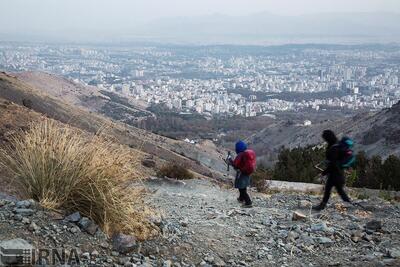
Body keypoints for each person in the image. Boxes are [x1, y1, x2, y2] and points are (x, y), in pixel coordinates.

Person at [313, 130, 351, 211]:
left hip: (335, 173)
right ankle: (349, 203)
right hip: (337, 172)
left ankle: (349, 204)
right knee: (334, 190)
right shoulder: (336, 145)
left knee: (333, 190)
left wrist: (323, 173)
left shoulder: (333, 148)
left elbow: (333, 164)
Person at [227, 140, 256, 208]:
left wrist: (230, 159)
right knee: (243, 186)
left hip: (242, 173)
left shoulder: (240, 154)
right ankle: (241, 199)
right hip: (247, 172)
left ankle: (248, 202)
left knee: (241, 188)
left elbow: (235, 164)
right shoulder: (247, 153)